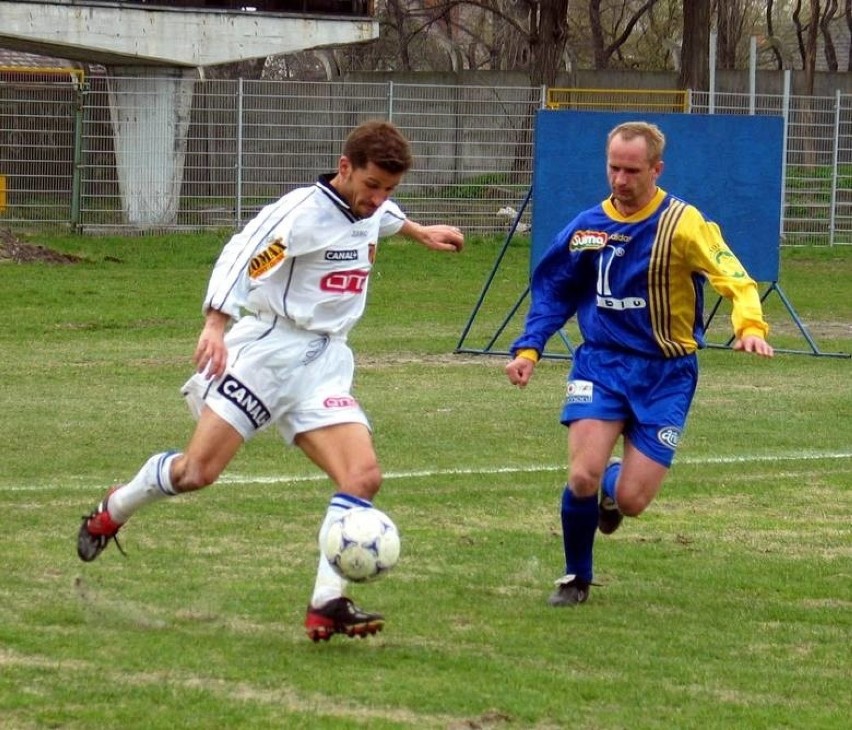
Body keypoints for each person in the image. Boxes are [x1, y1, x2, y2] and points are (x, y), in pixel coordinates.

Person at [77, 120, 464, 641]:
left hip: (326, 361)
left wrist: (419, 231)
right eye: (372, 186)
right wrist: (217, 324)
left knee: (362, 477)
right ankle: (113, 509)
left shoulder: (373, 208)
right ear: (345, 168)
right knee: (197, 473)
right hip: (268, 355)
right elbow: (244, 256)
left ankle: (327, 603)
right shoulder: (300, 216)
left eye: (389, 189)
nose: (378, 199)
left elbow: (382, 219)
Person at [504, 120, 773, 607]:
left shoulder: (682, 224)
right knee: (580, 475)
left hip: (666, 375)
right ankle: (575, 578)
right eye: (614, 168)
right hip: (601, 364)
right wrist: (529, 348)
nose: (621, 180)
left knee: (632, 501)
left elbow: (734, 276)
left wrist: (749, 325)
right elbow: (555, 290)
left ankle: (612, 491)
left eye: (632, 170)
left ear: (656, 168)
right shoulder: (588, 229)